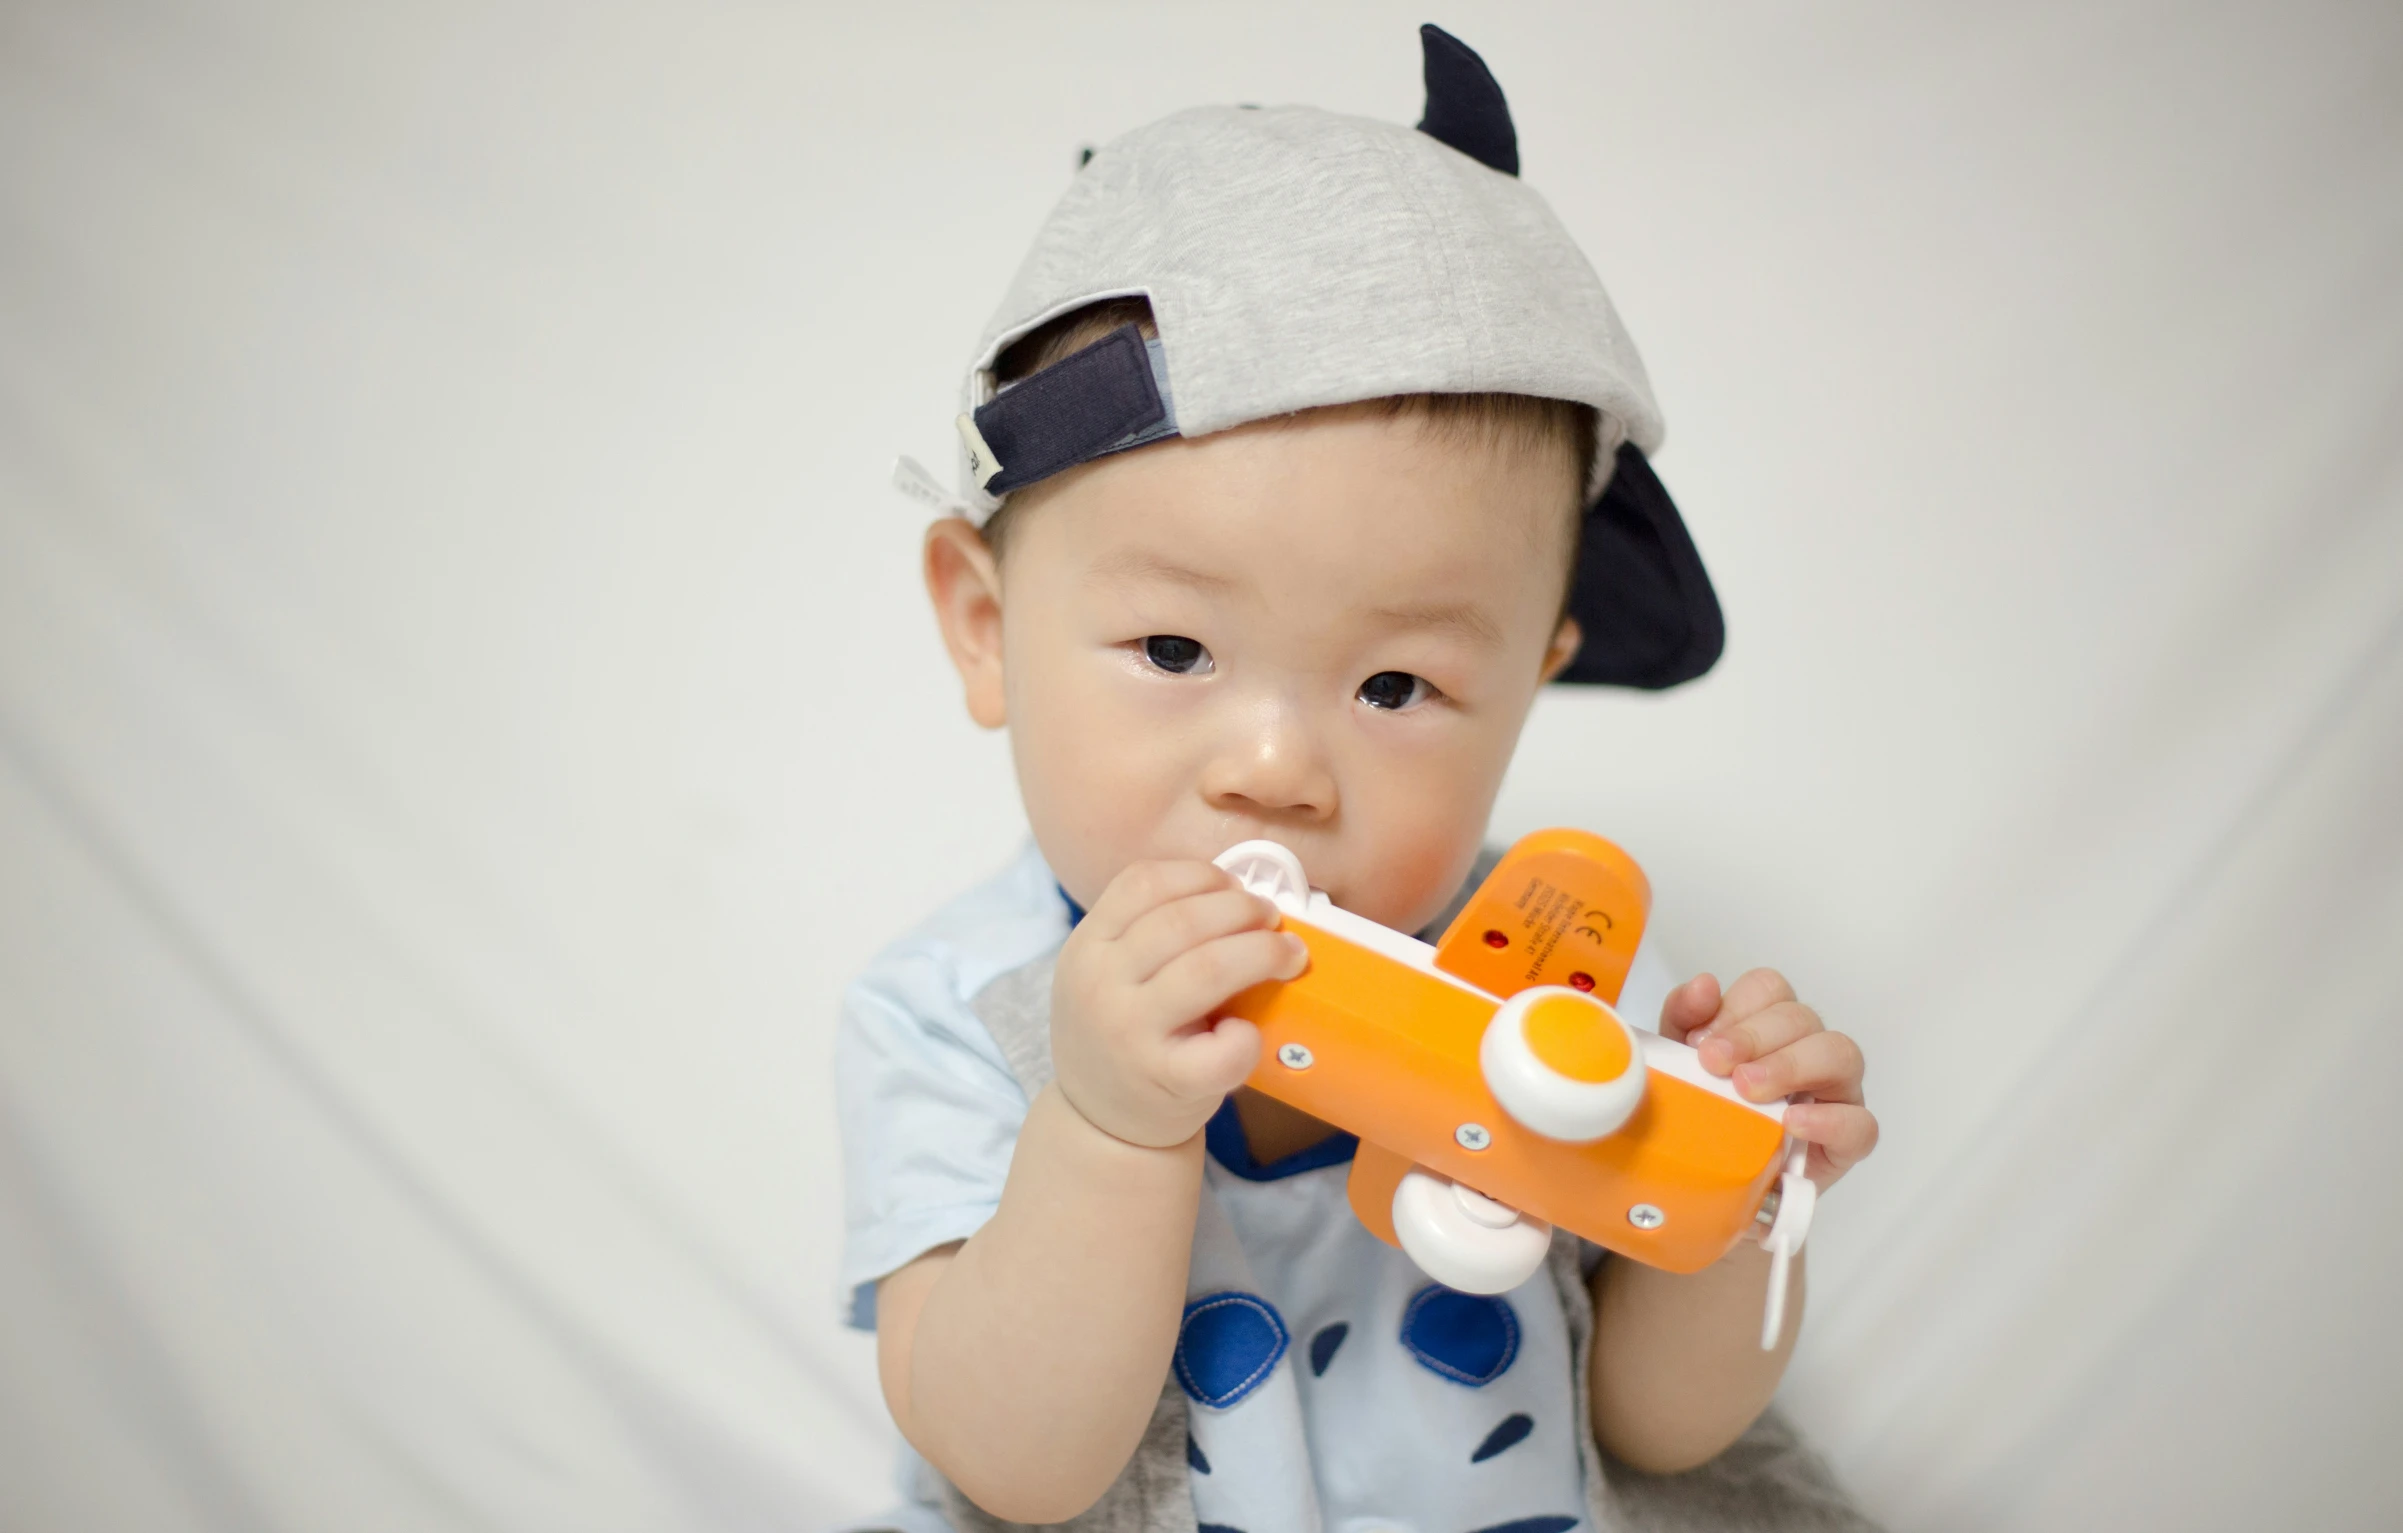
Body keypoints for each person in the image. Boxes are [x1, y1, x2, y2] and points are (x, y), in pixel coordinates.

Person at [838, 27, 1879, 1533]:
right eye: (1175, 647)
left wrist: (1730, 1202)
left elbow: (1656, 1431)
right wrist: (1112, 1126)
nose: (1272, 771)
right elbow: (1015, 1465)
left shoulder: (1542, 985)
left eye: (1395, 686)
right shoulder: (949, 1012)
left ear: (1529, 682)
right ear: (987, 630)